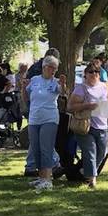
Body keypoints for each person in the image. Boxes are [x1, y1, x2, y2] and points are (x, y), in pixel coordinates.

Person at [22, 55, 66, 191]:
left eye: (55, 68)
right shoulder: (34, 80)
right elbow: (26, 97)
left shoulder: (55, 82)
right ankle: (41, 177)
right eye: (51, 67)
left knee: (46, 148)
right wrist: (23, 88)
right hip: (34, 119)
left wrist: (63, 85)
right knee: (35, 148)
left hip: (50, 119)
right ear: (43, 67)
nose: (53, 71)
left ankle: (48, 179)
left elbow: (63, 92)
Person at [67, 62, 108, 189]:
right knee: (90, 152)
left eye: (96, 72)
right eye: (91, 72)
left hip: (102, 125)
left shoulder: (103, 86)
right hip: (85, 125)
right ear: (85, 74)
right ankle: (92, 180)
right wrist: (87, 106)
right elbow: (70, 107)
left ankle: (85, 172)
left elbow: (107, 106)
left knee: (102, 152)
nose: (94, 74)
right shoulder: (81, 88)